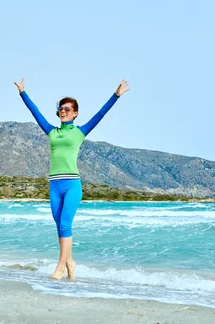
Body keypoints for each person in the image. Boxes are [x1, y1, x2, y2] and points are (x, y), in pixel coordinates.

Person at [14, 78, 130, 280]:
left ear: (75, 113)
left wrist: (116, 95)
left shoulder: (80, 132)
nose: (63, 111)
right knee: (59, 226)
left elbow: (101, 114)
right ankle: (70, 262)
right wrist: (23, 93)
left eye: (67, 109)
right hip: (54, 185)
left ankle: (60, 267)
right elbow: (35, 113)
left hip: (72, 185)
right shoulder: (51, 132)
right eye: (61, 108)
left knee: (66, 224)